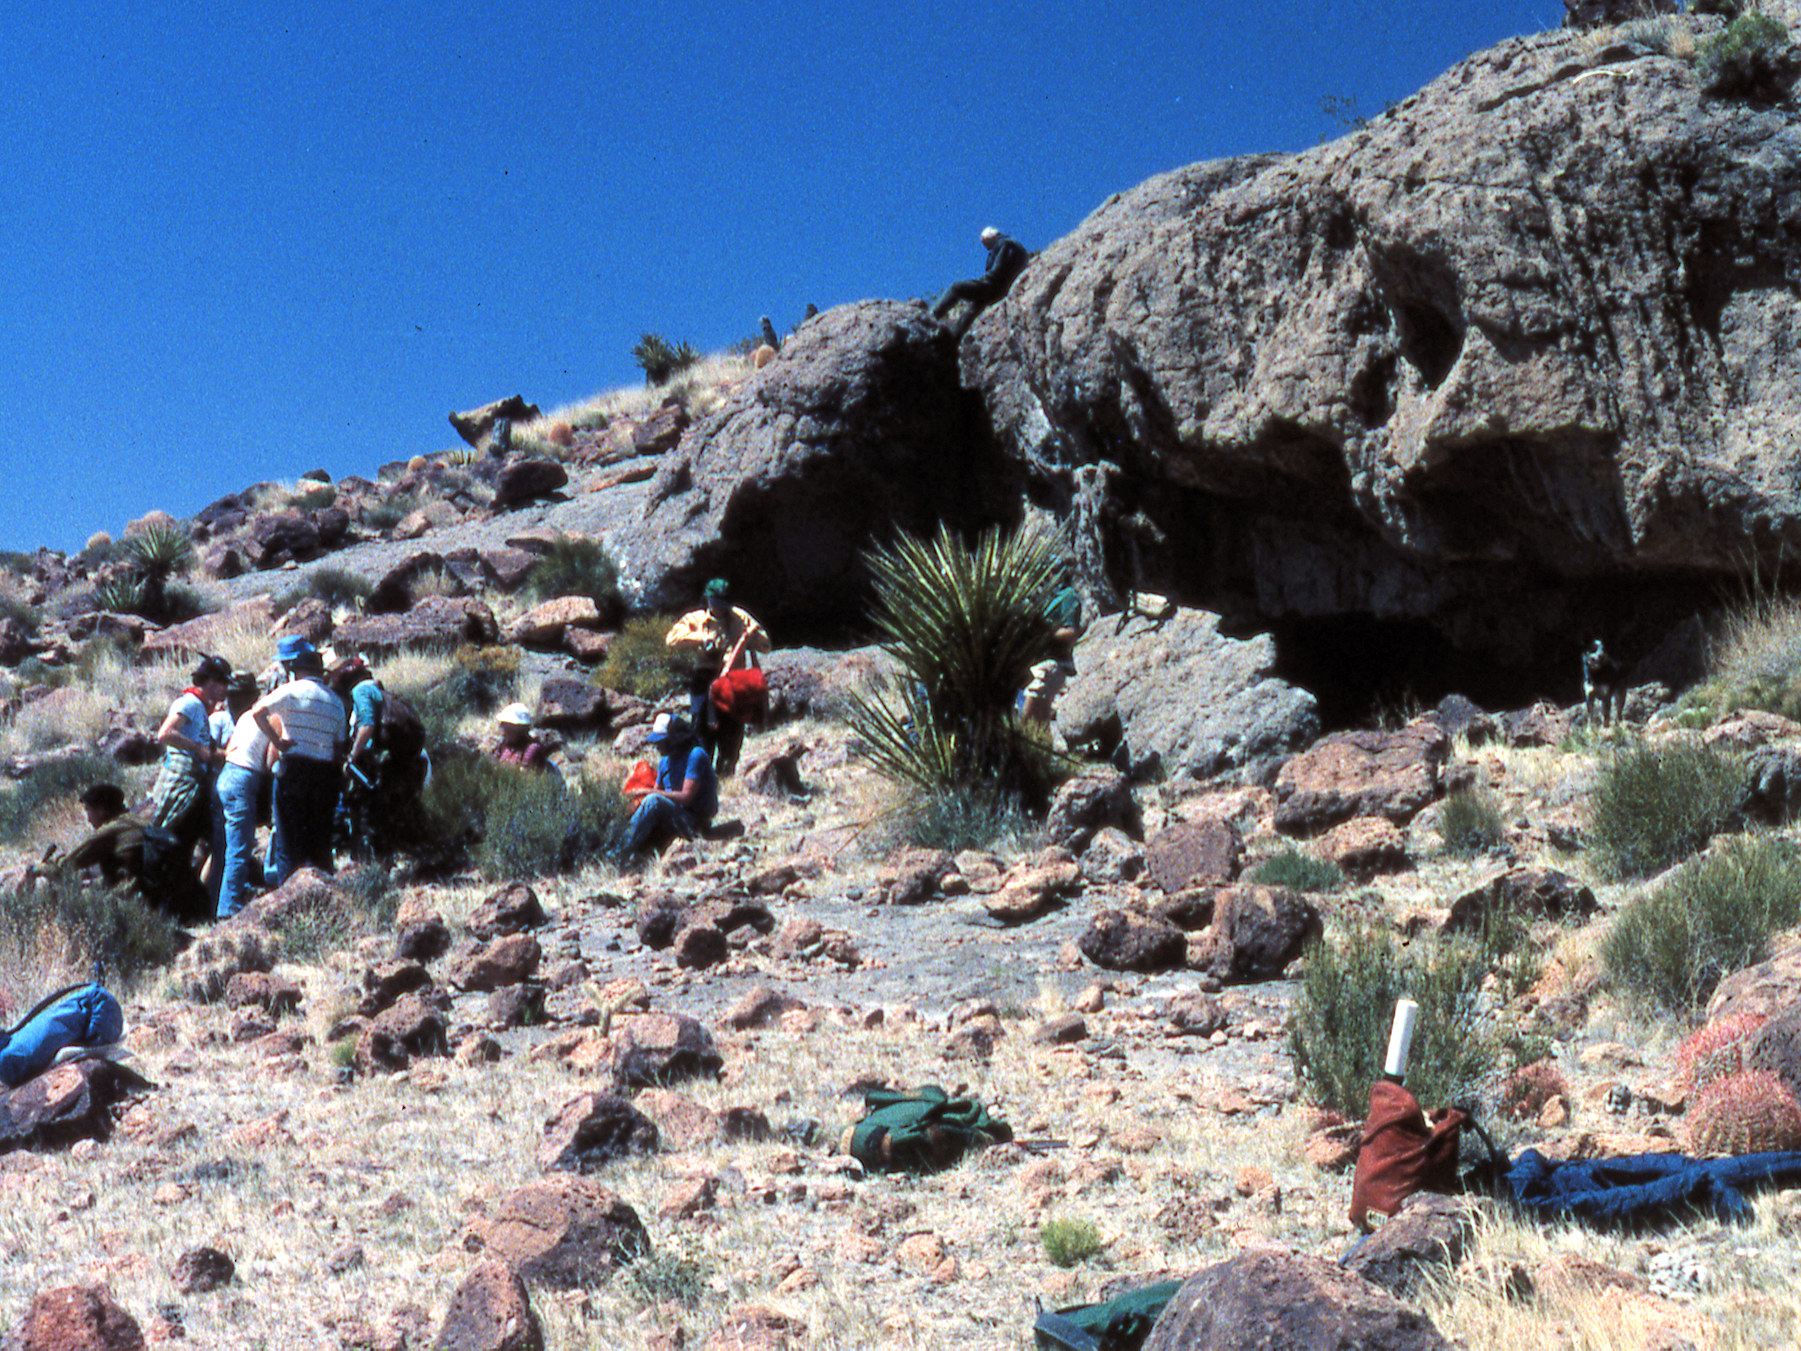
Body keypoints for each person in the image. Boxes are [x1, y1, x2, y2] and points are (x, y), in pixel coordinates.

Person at [250, 640, 346, 886]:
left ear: (296, 669)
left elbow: (258, 711)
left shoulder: (292, 690)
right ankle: (325, 899)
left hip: (294, 769)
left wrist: (278, 741)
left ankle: (288, 898)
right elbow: (338, 748)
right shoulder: (335, 702)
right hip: (324, 774)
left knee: (288, 842)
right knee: (320, 841)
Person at [664, 578, 770, 776]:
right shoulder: (695, 619)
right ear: (708, 600)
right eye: (717, 604)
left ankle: (726, 774)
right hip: (705, 678)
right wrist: (702, 638)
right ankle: (702, 776)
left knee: (733, 727)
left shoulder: (741, 617)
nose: (721, 609)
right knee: (702, 729)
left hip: (733, 680)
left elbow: (766, 645)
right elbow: (671, 639)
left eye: (724, 604)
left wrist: (752, 636)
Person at [150, 655, 231, 852]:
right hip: (182, 780)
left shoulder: (200, 708)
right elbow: (165, 734)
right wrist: (198, 749)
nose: (226, 689)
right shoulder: (190, 703)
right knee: (169, 837)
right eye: (224, 683)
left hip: (193, 781)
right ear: (211, 682)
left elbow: (201, 746)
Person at [622, 714, 718, 859]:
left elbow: (686, 797)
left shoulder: (695, 756)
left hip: (694, 822)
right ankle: (620, 845)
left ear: (674, 740)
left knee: (653, 800)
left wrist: (646, 792)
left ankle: (619, 852)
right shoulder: (664, 762)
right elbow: (657, 791)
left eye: (661, 742)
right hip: (674, 817)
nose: (657, 746)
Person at [931, 227, 1029, 338]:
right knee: (972, 310)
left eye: (986, 242)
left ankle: (932, 317)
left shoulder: (1005, 244)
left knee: (957, 288)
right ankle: (952, 339)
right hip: (1003, 289)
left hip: (995, 286)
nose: (986, 247)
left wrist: (981, 282)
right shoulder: (1012, 245)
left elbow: (997, 271)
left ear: (992, 236)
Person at [1021, 629, 1079, 725]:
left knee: (1031, 715)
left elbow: (1071, 632)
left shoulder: (1061, 614)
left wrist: (1046, 632)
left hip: (1050, 663)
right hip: (1028, 664)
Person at [493, 702, 551, 772]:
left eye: (507, 726)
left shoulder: (531, 749)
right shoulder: (504, 744)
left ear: (518, 729)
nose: (504, 730)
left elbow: (522, 776)